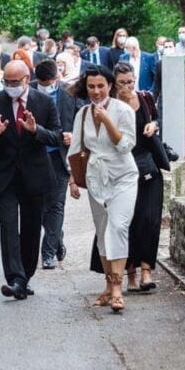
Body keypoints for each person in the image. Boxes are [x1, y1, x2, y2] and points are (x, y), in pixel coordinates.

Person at [0, 60, 62, 300]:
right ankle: (15, 278)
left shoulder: (44, 102)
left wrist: (36, 131)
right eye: (6, 81)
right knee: (8, 225)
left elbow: (56, 136)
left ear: (27, 79)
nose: (10, 86)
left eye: (14, 82)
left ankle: (24, 277)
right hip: (4, 176)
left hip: (34, 176)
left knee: (31, 229)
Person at [67, 65, 137, 314]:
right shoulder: (83, 113)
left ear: (110, 86)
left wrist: (107, 121)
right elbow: (76, 149)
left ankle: (117, 287)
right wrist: (73, 180)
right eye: (91, 87)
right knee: (103, 231)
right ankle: (108, 285)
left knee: (118, 226)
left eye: (100, 86)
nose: (96, 91)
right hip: (96, 177)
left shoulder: (123, 110)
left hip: (123, 176)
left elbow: (126, 146)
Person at [113, 63, 167, 294]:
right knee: (129, 221)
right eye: (122, 82)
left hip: (148, 167)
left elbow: (157, 119)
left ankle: (147, 271)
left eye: (130, 81)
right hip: (122, 169)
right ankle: (131, 273)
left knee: (150, 219)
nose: (127, 86)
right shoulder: (110, 106)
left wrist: (153, 125)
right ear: (114, 83)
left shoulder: (145, 98)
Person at [32, 60, 78, 270]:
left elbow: (81, 118)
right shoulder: (28, 91)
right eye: (42, 83)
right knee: (40, 205)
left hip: (60, 157)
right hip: (35, 157)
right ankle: (57, 236)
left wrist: (73, 135)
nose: (46, 87)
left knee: (56, 204)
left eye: (49, 83)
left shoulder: (69, 93)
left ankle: (48, 253)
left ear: (56, 78)